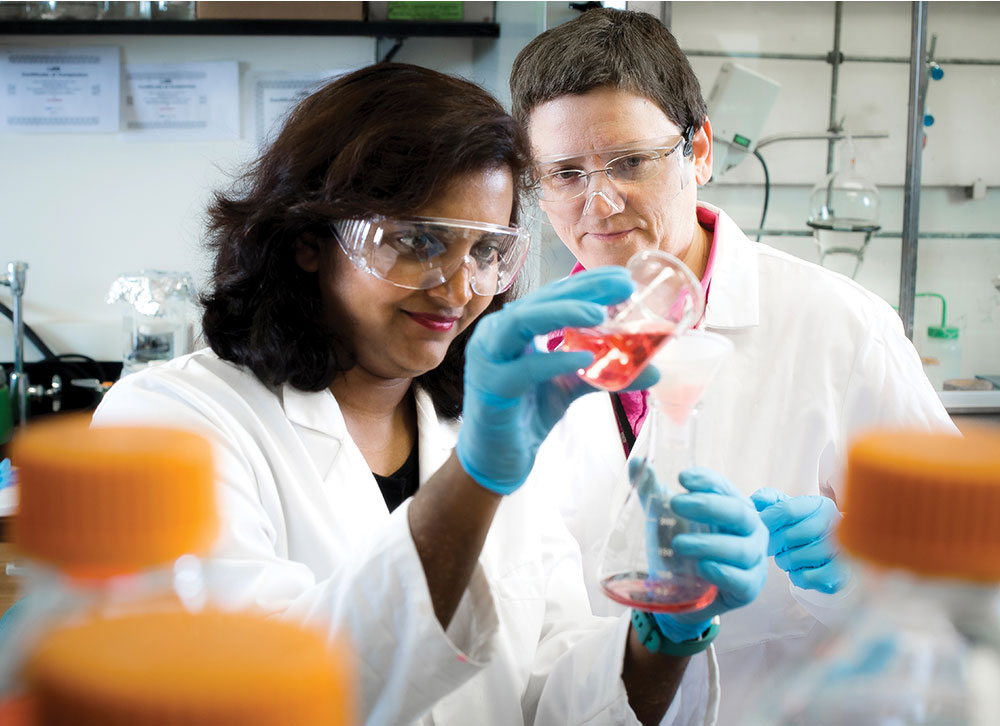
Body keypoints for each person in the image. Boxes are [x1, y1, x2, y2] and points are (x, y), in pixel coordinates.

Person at [92, 62, 767, 726]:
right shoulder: (165, 424)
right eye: (418, 241)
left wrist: (665, 631)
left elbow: (555, 694)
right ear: (308, 241)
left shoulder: (473, 425)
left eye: (485, 252)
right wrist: (476, 477)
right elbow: (271, 691)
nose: (459, 289)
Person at [510, 8, 957, 722]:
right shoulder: (525, 352)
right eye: (564, 173)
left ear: (700, 152)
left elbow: (964, 584)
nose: (598, 202)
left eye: (629, 162)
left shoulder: (843, 329)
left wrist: (857, 574)